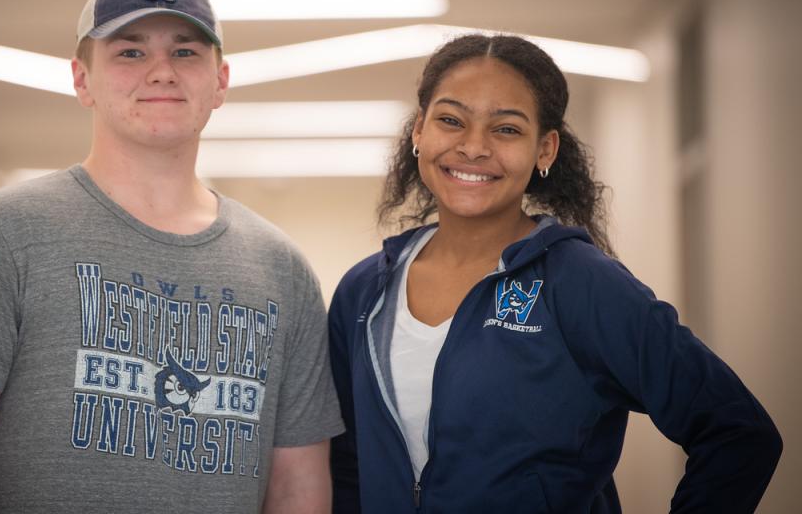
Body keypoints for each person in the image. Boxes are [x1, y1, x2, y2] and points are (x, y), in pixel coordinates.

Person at [0, 0, 343, 513]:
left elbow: (298, 484)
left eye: (186, 51)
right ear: (83, 79)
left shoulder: (281, 269)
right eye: (130, 51)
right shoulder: (2, 235)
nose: (161, 71)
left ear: (220, 81)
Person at [328, 34, 781, 513]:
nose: (474, 146)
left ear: (545, 150)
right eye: (450, 120)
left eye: (505, 129)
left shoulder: (580, 283)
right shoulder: (364, 293)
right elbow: (345, 466)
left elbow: (737, 432)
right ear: (419, 130)